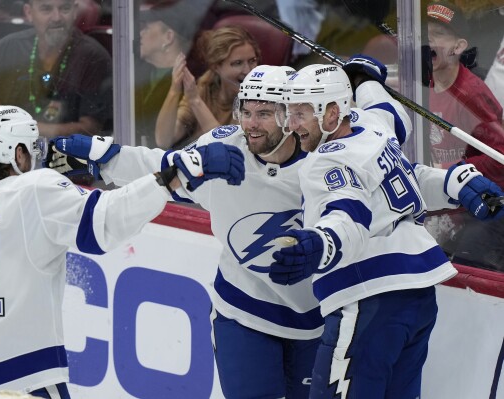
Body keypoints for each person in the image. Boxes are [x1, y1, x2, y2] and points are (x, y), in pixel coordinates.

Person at [44, 62, 502, 398]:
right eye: (246, 110)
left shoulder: (324, 158)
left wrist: (453, 184)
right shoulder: (224, 152)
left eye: (266, 113)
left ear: (292, 114)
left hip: (316, 318)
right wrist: (97, 153)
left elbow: (377, 191)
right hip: (245, 313)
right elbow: (158, 167)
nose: (251, 123)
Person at [0, 105, 244, 397]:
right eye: (31, 148)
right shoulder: (36, 190)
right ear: (18, 153)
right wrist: (171, 175)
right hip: (22, 379)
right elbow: (106, 223)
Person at [269, 57, 504, 398]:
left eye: (301, 113)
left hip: (369, 299)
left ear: (332, 113)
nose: (291, 125)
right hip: (419, 298)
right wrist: (455, 183)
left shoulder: (325, 162)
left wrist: (320, 244)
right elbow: (385, 109)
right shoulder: (374, 128)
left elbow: (349, 215)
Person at [0, 0, 113, 164]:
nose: (56, 17)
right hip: (5, 153)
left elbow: (89, 130)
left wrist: (23, 130)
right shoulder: (8, 47)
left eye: (65, 8)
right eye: (46, 9)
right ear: (29, 13)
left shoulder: (93, 58)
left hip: (61, 160)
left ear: (75, 11)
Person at [426, 1, 504, 271]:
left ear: (458, 47)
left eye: (438, 34)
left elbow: (500, 158)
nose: (429, 40)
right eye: (426, 33)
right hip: (446, 195)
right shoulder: (423, 83)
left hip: (481, 205)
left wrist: (450, 171)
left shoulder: (471, 95)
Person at [154, 25, 260, 149]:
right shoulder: (204, 88)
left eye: (252, 61)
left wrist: (195, 101)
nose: (248, 70)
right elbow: (164, 140)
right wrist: (174, 89)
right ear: (216, 67)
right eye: (237, 63)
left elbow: (228, 148)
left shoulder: (259, 99)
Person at [134, 1, 200, 148]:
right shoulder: (138, 72)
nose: (140, 34)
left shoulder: (190, 82)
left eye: (146, 28)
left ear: (168, 37)